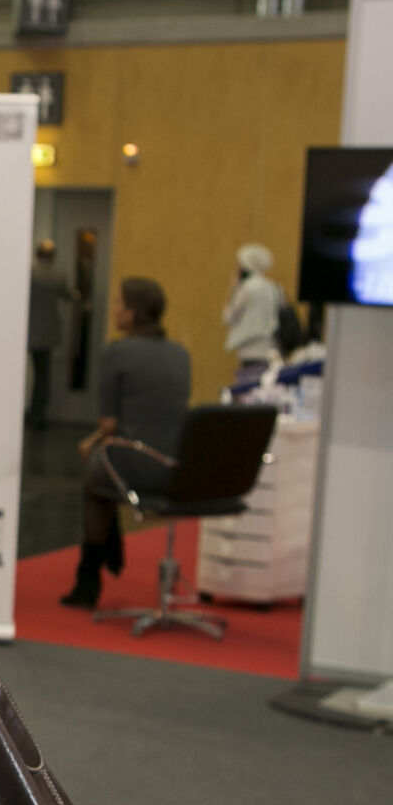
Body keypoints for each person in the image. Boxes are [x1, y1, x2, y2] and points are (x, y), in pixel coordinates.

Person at [61, 277, 191, 608]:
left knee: (95, 476)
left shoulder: (116, 354)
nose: (114, 308)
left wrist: (91, 440)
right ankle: (109, 550)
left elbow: (109, 425)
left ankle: (89, 577)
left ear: (132, 314)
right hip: (177, 466)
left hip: (135, 462)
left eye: (119, 303)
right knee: (101, 463)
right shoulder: (180, 354)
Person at [26, 238, 73, 429]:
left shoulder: (30, 273)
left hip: (26, 331)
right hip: (46, 333)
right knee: (42, 376)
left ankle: (31, 413)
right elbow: (69, 295)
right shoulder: (58, 275)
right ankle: (38, 415)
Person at [222, 243, 280, 387]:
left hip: (249, 349)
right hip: (269, 348)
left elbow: (228, 317)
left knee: (248, 389)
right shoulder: (274, 288)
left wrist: (232, 287)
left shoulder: (246, 288)